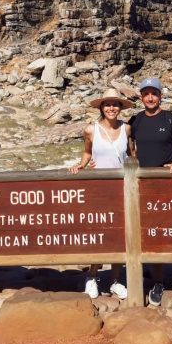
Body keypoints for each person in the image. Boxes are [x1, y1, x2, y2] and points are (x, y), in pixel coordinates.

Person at [130, 77, 172, 306]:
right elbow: (129, 147)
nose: (150, 97)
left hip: (170, 184)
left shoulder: (171, 119)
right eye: (146, 93)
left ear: (160, 96)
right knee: (153, 232)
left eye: (154, 94)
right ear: (141, 97)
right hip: (145, 185)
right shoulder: (136, 120)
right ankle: (158, 281)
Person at [69, 88, 134, 300]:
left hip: (122, 187)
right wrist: (81, 165)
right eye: (107, 104)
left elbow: (132, 155)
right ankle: (92, 275)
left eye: (115, 104)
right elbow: (88, 151)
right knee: (100, 232)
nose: (112, 108)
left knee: (119, 234)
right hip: (99, 188)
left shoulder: (127, 129)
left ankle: (115, 280)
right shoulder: (91, 129)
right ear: (101, 107)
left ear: (121, 107)